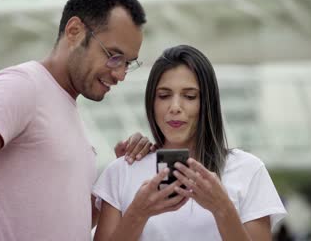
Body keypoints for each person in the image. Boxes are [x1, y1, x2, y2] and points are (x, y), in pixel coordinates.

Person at [0, 0, 153, 241]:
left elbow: (61, 219)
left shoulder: (66, 109)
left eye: (128, 63)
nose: (120, 74)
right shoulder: (23, 86)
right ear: (74, 32)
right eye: (114, 56)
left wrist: (117, 172)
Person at [93, 45, 287, 240]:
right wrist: (138, 213)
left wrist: (223, 209)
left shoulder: (248, 170)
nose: (175, 107)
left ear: (207, 102)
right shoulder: (122, 171)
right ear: (152, 102)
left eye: (189, 96)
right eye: (164, 95)